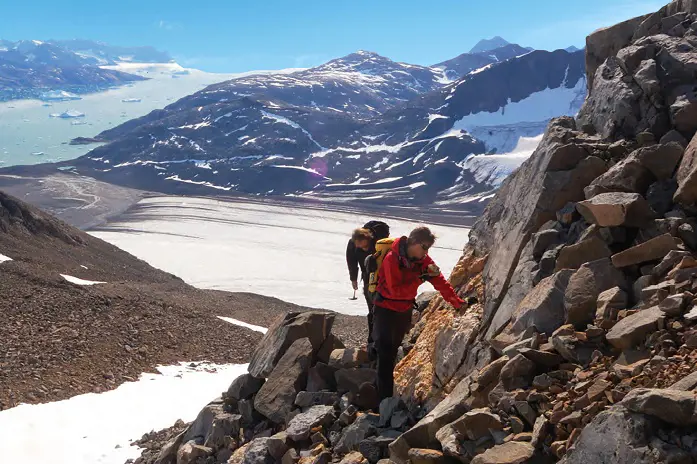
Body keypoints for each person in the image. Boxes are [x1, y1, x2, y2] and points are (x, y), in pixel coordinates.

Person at [372, 226, 464, 400]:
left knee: (391, 352)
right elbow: (395, 291)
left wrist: (458, 303)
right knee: (385, 352)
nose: (426, 251)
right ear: (413, 242)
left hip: (403, 311)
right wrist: (421, 278)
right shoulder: (391, 259)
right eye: (424, 247)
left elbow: (440, 282)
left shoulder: (423, 261)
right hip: (385, 310)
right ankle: (383, 401)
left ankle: (383, 392)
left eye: (428, 248)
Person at [346, 220, 390, 349]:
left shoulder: (379, 244)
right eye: (357, 245)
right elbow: (351, 261)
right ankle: (372, 340)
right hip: (367, 278)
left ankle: (381, 337)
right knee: (372, 308)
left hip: (382, 278)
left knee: (381, 307)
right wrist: (353, 279)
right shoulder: (353, 244)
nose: (359, 247)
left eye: (362, 244)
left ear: (368, 239)